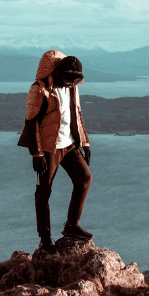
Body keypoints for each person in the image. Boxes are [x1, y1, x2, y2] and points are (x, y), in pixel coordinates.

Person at [19, 50, 92, 254]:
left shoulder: (72, 88)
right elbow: (31, 122)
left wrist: (84, 142)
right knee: (44, 192)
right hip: (48, 148)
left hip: (68, 145)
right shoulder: (39, 89)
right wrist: (37, 154)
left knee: (84, 179)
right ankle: (45, 239)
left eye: (74, 80)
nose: (70, 84)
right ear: (58, 72)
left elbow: (77, 115)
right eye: (68, 79)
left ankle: (72, 225)